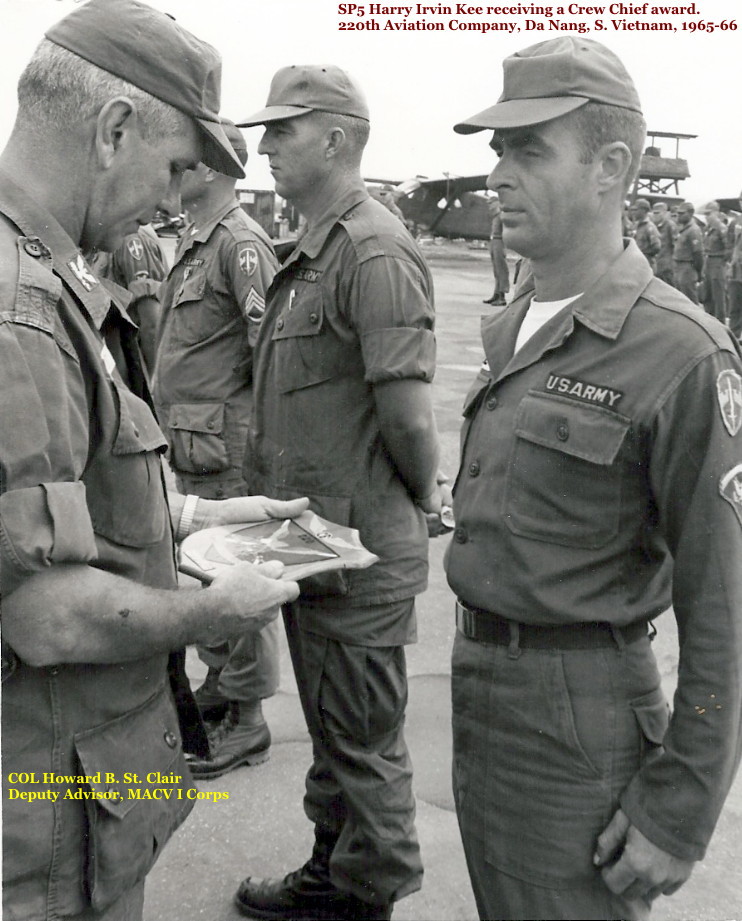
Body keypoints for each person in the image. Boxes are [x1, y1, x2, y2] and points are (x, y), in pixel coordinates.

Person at [0, 3, 305, 919]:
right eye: (175, 167)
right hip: (47, 820)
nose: (174, 200)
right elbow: (45, 616)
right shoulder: (20, 310)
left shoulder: (45, 279)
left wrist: (196, 518)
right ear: (114, 129)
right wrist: (215, 608)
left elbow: (68, 486)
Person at [449, 36, 742, 921]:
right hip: (481, 684)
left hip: (577, 711)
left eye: (528, 149)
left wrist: (682, 808)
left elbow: (726, 604)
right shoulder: (514, 328)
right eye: (497, 148)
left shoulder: (681, 352)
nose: (498, 172)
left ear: (613, 166)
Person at [233, 64, 446, 921]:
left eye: (281, 130)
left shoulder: (372, 249)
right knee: (335, 730)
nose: (264, 145)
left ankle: (365, 895)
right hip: (316, 543)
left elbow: (407, 417)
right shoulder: (316, 247)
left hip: (355, 551)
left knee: (361, 741)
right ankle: (335, 869)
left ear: (335, 138)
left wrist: (417, 501)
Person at [153, 119, 281, 779]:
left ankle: (249, 719)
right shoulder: (197, 240)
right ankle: (223, 686)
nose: (175, 171)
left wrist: (256, 444)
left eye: (186, 163)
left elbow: (268, 353)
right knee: (205, 568)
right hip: (193, 437)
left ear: (214, 169)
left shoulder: (241, 243)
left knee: (236, 572)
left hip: (225, 443)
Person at [90, 223, 167, 372]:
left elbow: (151, 322)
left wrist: (152, 383)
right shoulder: (114, 235)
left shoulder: (131, 239)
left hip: (135, 356)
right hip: (122, 350)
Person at [701, 200, 728, 323]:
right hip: (708, 262)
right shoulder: (708, 228)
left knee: (718, 295)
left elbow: (728, 247)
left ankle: (720, 322)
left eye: (709, 214)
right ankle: (709, 321)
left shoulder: (721, 228)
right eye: (705, 214)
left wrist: (722, 262)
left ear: (716, 213)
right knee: (707, 294)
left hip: (718, 263)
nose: (707, 217)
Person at [672, 201, 704, 303]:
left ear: (691, 213)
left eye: (682, 213)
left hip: (687, 267)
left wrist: (698, 271)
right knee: (680, 298)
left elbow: (698, 253)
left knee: (689, 298)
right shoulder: (684, 229)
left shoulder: (693, 230)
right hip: (679, 266)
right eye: (678, 213)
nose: (679, 216)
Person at [484, 193, 510, 305]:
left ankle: (502, 297)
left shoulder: (501, 216)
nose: (489, 207)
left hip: (499, 242)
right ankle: (496, 294)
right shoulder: (495, 216)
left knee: (501, 269)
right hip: (494, 242)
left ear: (497, 203)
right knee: (496, 270)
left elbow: (506, 231)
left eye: (491, 204)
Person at [630, 197, 661, 271]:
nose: (633, 212)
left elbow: (656, 247)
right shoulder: (635, 225)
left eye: (636, 210)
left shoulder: (650, 227)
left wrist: (643, 254)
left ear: (643, 210)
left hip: (646, 264)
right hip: (635, 263)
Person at [727, 193, 742, 340]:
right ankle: (734, 337)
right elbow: (729, 243)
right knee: (734, 306)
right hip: (735, 271)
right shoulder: (736, 222)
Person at [650, 200, 676, 286]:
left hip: (667, 265)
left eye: (658, 213)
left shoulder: (670, 226)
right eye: (654, 213)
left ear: (665, 213)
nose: (655, 215)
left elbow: (675, 246)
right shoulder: (653, 226)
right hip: (657, 264)